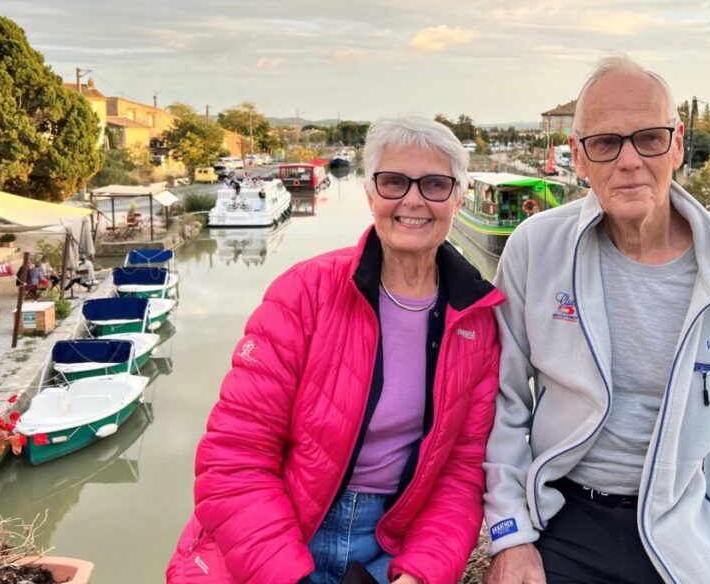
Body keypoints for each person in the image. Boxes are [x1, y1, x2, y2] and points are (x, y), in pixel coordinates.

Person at [483, 56, 710, 584]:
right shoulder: (536, 249)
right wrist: (511, 535)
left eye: (649, 138)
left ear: (677, 144)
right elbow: (502, 404)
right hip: (563, 519)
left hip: (693, 523)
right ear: (578, 156)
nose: (630, 160)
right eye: (606, 143)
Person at [168, 115, 504, 584]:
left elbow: (461, 474)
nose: (413, 199)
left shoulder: (476, 321)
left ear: (458, 197)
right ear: (370, 194)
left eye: (434, 184)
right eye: (393, 182)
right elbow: (236, 457)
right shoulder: (304, 293)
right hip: (272, 533)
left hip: (394, 540)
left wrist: (421, 574)